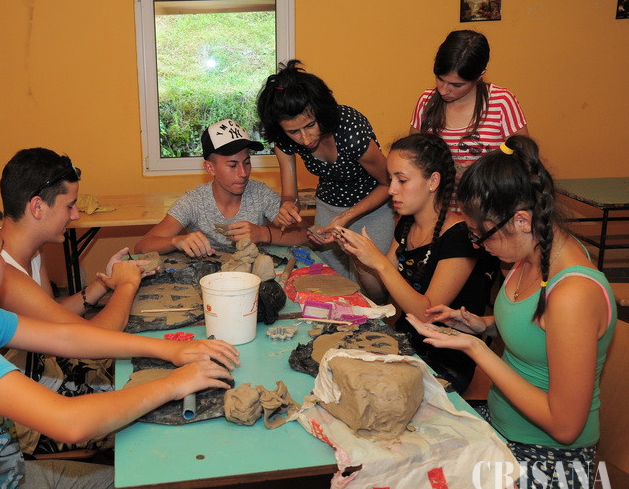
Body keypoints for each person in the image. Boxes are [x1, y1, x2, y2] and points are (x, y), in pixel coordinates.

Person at [0, 194, 238, 489]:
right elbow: (70, 424)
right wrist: (175, 383)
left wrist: (169, 351)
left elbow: (69, 338)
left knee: (132, 488)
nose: (5, 265)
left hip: (6, 480)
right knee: (137, 483)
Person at [406, 136, 616, 489]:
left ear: (521, 220)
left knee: (422, 488)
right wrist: (481, 324)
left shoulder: (573, 294)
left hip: (554, 462)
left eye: (480, 235)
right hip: (505, 428)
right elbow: (538, 330)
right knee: (405, 447)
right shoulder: (532, 252)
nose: (478, 244)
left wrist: (477, 350)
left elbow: (565, 427)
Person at [0, 147, 154, 456]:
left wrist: (101, 285)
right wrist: (126, 285)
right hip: (18, 420)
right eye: (69, 205)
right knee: (143, 403)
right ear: (37, 207)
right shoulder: (4, 276)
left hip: (37, 374)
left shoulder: (31, 250)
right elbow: (98, 338)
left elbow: (49, 316)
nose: (76, 215)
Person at [334, 133, 496, 393]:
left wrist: (380, 263)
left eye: (402, 180)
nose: (391, 190)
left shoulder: (460, 238)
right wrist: (361, 260)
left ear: (433, 181)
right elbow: (379, 293)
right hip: (407, 343)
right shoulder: (407, 223)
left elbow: (426, 315)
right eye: (390, 179)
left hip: (445, 361)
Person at [257, 60, 393, 301]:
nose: (304, 138)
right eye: (293, 131)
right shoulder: (284, 140)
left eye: (310, 125)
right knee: (331, 284)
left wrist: (348, 216)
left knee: (373, 288)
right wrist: (287, 206)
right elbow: (290, 195)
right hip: (329, 207)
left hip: (373, 207)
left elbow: (388, 183)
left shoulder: (351, 132)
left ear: (321, 113)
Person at [135, 118, 307, 257]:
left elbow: (306, 235)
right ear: (210, 168)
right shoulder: (194, 201)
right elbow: (142, 246)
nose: (243, 173)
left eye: (247, 162)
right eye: (232, 165)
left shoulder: (259, 194)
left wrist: (263, 233)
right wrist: (176, 241)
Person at [409, 30, 528, 203]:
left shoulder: (502, 102)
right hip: (439, 209)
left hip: (488, 207)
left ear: (480, 76)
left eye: (456, 85)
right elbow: (412, 157)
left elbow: (524, 161)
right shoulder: (427, 102)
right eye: (440, 79)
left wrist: (479, 175)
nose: (443, 90)